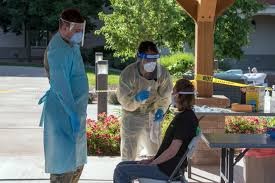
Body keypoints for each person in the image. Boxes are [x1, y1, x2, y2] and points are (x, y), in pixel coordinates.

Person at [113, 78, 199, 183]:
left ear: (179, 96)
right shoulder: (187, 116)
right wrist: (152, 159)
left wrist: (153, 164)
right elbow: (169, 150)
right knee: (121, 165)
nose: (171, 95)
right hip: (165, 166)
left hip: (165, 171)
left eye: (173, 92)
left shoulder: (184, 119)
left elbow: (172, 151)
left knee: (121, 171)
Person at [38, 8, 89, 183]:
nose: (80, 34)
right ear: (64, 27)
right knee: (64, 168)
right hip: (64, 113)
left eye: (81, 30)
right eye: (77, 31)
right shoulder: (58, 50)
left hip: (74, 113)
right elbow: (61, 86)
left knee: (75, 164)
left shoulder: (70, 44)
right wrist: (72, 114)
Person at [117, 41, 173, 161]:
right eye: (148, 59)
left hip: (152, 115)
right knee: (129, 152)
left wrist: (161, 109)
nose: (151, 63)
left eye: (154, 59)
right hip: (132, 115)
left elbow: (165, 97)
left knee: (155, 151)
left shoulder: (162, 73)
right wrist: (136, 99)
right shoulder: (129, 73)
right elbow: (124, 99)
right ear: (140, 57)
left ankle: (152, 177)